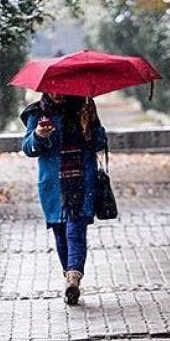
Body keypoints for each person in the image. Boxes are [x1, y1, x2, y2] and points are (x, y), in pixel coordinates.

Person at [21, 93, 107, 305]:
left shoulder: (84, 107)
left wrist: (90, 125)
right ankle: (69, 275)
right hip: (53, 186)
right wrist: (38, 135)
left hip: (82, 182)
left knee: (75, 230)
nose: (57, 94)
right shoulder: (36, 112)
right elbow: (28, 149)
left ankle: (73, 277)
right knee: (60, 233)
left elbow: (100, 143)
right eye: (52, 90)